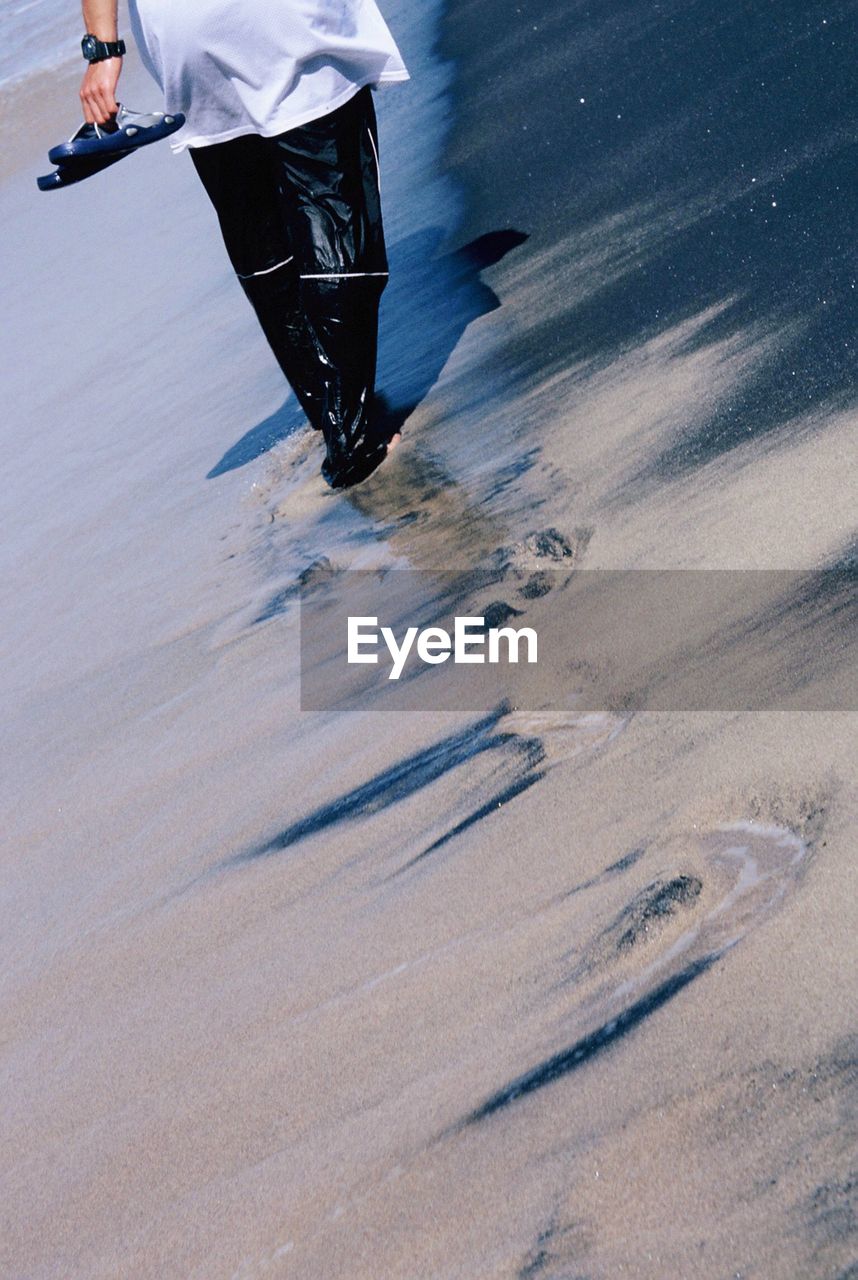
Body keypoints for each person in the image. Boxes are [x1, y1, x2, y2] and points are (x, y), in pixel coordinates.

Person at [78, 0, 409, 488]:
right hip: (280, 21)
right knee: (333, 205)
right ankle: (352, 440)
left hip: (181, 43)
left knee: (253, 224)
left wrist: (102, 51)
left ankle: (325, 411)